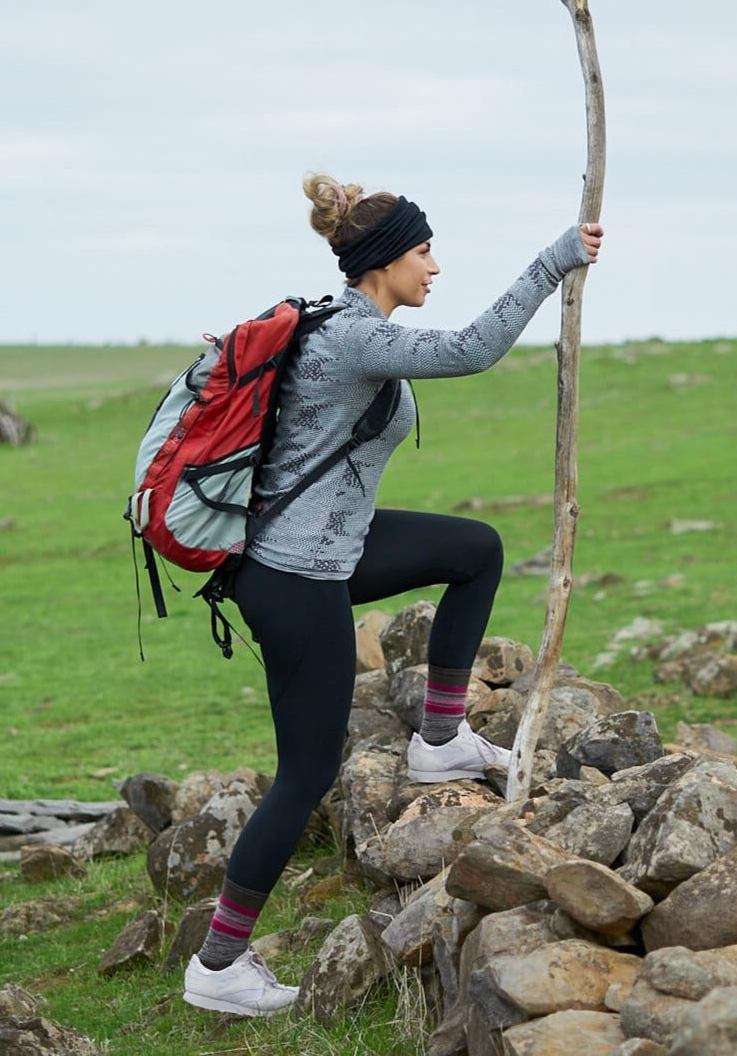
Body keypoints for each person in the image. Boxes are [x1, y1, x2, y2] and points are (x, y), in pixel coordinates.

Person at [183, 174, 604, 1016]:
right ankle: (218, 966)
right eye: (422, 252)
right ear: (381, 263)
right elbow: (472, 349)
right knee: (304, 773)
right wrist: (555, 260)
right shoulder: (350, 338)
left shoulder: (348, 327)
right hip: (293, 580)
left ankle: (439, 739)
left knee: (474, 549)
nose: (435, 266)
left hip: (329, 553)